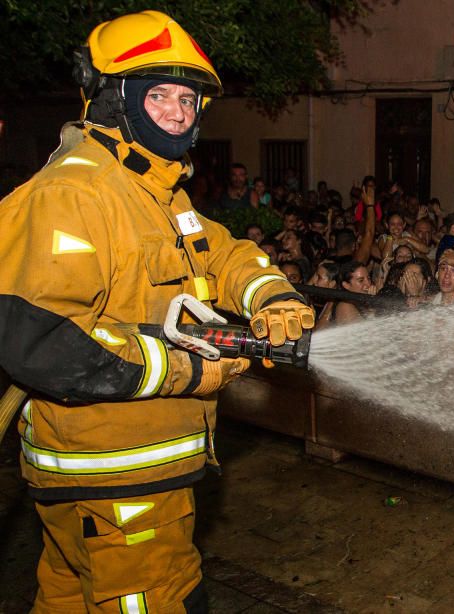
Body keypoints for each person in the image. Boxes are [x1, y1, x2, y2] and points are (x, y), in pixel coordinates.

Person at [0, 11, 315, 612]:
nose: (178, 112)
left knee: (68, 600)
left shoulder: (154, 189)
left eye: (189, 99)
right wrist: (195, 367)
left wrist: (270, 293)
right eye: (160, 95)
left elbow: (221, 251)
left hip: (124, 481)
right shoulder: (75, 192)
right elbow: (42, 342)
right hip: (116, 484)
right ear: (115, 101)